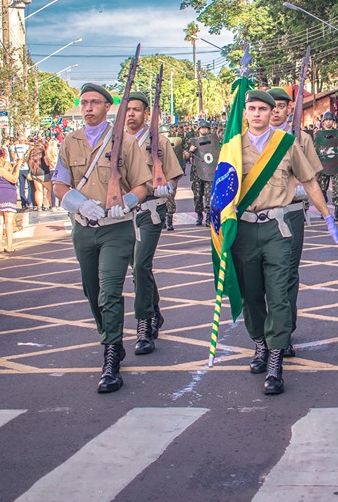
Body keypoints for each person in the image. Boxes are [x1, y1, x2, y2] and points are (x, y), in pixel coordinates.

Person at [231, 89, 338, 396]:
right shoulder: (233, 146)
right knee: (250, 295)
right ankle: (260, 343)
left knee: (278, 293)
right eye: (251, 108)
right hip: (243, 231)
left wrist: (327, 216)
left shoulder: (287, 144)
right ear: (246, 113)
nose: (256, 114)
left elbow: (309, 180)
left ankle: (276, 358)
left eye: (262, 109)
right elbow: (223, 191)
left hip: (278, 228)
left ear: (272, 113)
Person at [53, 83, 152, 394]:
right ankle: (108, 334)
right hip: (84, 228)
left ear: (108, 107)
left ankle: (110, 357)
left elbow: (142, 185)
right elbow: (58, 184)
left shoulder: (124, 143)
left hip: (117, 228)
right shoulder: (71, 141)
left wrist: (127, 202)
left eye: (95, 102)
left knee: (110, 291)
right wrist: (79, 203)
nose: (88, 108)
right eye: (84, 102)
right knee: (91, 291)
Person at [123, 91, 183, 355]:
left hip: (150, 210)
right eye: (127, 109)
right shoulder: (113, 142)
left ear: (146, 113)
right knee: (138, 269)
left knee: (140, 265)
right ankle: (154, 309)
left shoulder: (159, 142)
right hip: (121, 214)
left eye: (137, 109)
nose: (131, 114)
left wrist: (167, 188)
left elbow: (173, 175)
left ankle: (144, 325)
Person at [267, 87, 325, 358]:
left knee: (286, 275)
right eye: (272, 105)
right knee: (259, 278)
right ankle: (265, 333)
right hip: (259, 215)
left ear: (290, 109)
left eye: (281, 105)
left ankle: (284, 331)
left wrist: (301, 188)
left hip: (290, 213)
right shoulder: (253, 138)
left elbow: (313, 177)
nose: (276, 110)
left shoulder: (301, 139)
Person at [314, 111, 338, 221]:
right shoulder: (318, 135)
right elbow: (315, 150)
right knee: (322, 190)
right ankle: (324, 212)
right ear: (323, 122)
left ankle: (337, 213)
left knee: (337, 189)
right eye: (326, 120)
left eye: (330, 120)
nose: (328, 122)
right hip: (323, 166)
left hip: (336, 165)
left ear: (333, 121)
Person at [185, 120, 216, 226]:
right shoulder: (191, 141)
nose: (204, 130)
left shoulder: (213, 140)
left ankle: (208, 216)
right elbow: (185, 156)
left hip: (209, 171)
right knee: (197, 196)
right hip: (196, 172)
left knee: (209, 195)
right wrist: (190, 151)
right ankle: (199, 214)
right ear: (198, 129)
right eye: (202, 128)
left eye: (206, 128)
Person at [0, 149, 20, 253]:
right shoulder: (1, 169)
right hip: (6, 194)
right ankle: (9, 245)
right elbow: (14, 179)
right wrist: (18, 166)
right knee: (9, 221)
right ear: (1, 158)